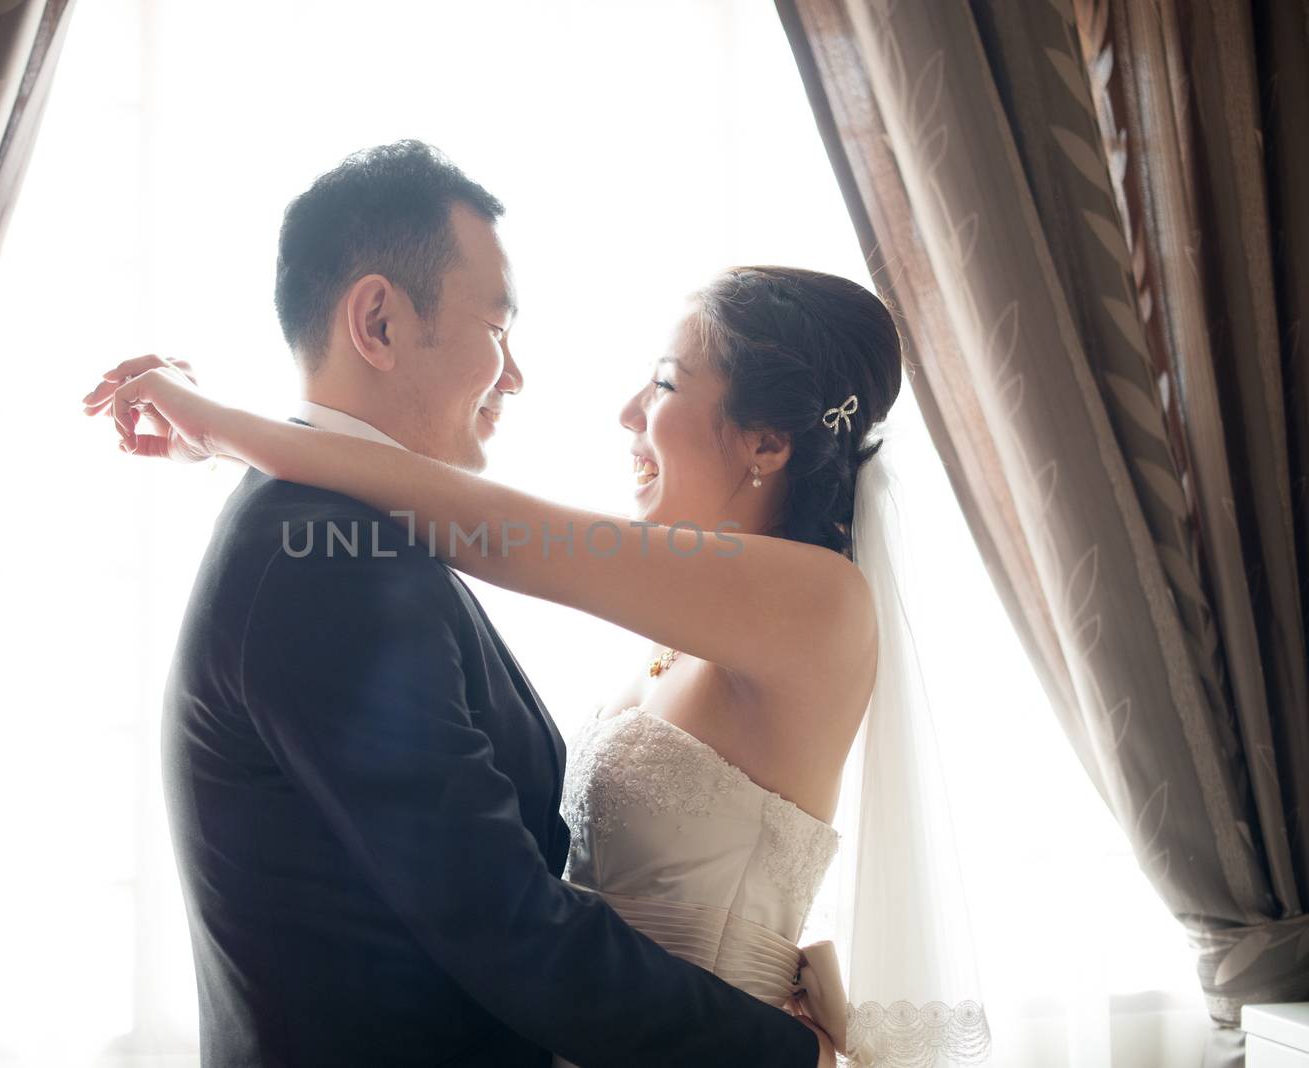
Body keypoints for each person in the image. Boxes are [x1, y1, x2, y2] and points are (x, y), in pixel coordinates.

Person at [83, 141, 834, 1067]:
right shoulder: (330, 563)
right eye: (498, 327)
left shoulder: (337, 529)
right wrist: (775, 1052)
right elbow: (499, 920)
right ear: (380, 322)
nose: (514, 375)